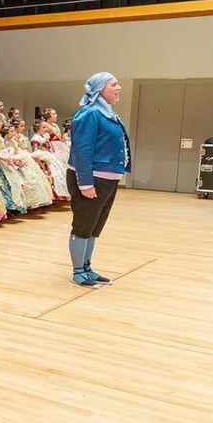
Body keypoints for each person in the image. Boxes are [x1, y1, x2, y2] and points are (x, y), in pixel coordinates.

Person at [66, 72, 130, 285]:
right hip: (91, 179)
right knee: (83, 225)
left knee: (95, 226)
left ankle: (87, 267)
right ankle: (77, 272)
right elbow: (81, 151)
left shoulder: (108, 113)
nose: (119, 88)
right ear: (101, 89)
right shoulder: (89, 114)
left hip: (107, 179)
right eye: (114, 84)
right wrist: (85, 183)